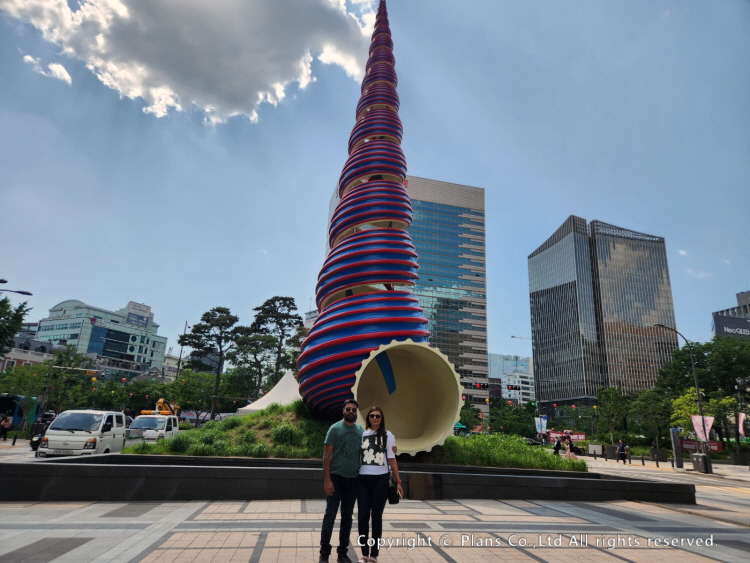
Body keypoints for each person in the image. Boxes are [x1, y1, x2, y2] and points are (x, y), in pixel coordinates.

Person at [357, 406, 403, 563]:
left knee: (376, 517)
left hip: (380, 479)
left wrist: (398, 481)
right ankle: (364, 554)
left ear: (382, 418)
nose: (375, 418)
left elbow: (391, 459)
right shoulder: (362, 434)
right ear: (368, 418)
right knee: (362, 517)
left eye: (378, 416)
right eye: (372, 415)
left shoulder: (388, 435)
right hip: (363, 479)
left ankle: (374, 555)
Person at [320, 399, 363, 563]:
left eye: (354, 410)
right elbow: (326, 456)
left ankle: (342, 553)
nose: (351, 412)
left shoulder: (361, 430)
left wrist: (391, 448)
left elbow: (373, 447)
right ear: (343, 410)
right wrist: (327, 480)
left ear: (356, 412)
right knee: (330, 515)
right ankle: (324, 553)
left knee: (347, 517)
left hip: (353, 480)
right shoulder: (335, 429)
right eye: (348, 409)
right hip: (336, 479)